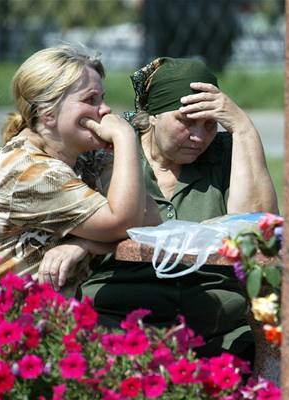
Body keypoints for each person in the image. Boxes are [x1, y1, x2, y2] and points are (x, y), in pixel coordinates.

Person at [75, 57, 278, 361]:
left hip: (217, 329)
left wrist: (243, 128)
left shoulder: (226, 155)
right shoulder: (111, 153)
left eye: (210, 124)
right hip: (119, 321)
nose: (198, 138)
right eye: (186, 121)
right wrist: (79, 244)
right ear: (152, 115)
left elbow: (257, 225)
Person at [0, 45, 159, 296]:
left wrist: (84, 244)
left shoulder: (86, 155)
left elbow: (149, 219)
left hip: (26, 317)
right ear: (48, 113)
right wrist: (125, 137)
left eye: (101, 98)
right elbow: (123, 223)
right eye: (90, 99)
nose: (104, 110)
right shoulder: (30, 173)